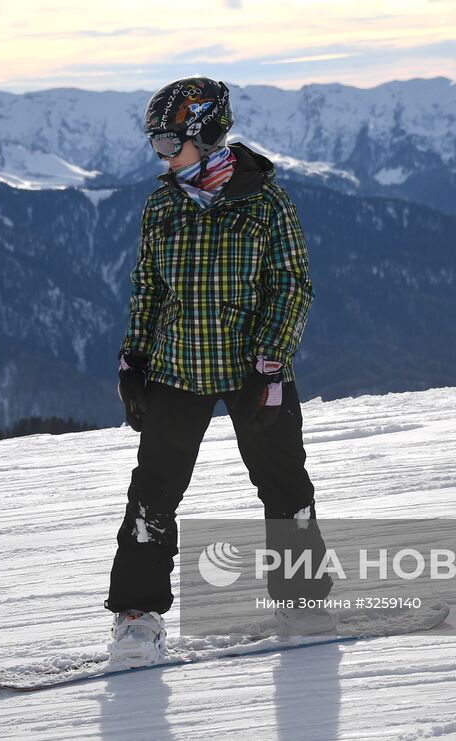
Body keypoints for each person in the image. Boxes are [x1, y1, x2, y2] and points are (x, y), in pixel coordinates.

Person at [107, 76, 331, 666]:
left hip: (254, 370)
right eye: (156, 144)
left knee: (285, 485)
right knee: (153, 491)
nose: (160, 155)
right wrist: (134, 359)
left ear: (205, 135)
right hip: (177, 368)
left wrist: (269, 363)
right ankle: (137, 617)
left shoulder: (266, 203)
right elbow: (148, 288)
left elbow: (292, 286)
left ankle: (303, 602)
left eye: (168, 142)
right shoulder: (162, 205)